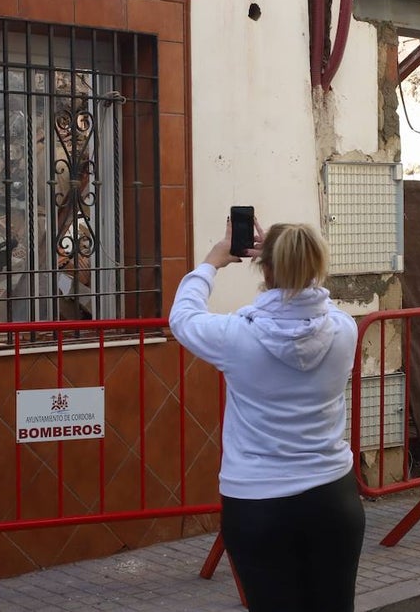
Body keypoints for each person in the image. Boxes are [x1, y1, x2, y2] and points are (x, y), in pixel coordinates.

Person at [169, 217, 365, 612]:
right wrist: (284, 264)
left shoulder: (236, 336)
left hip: (258, 503)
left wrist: (213, 260)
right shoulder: (345, 331)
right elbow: (315, 304)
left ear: (265, 268)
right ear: (317, 267)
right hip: (332, 498)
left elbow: (183, 317)